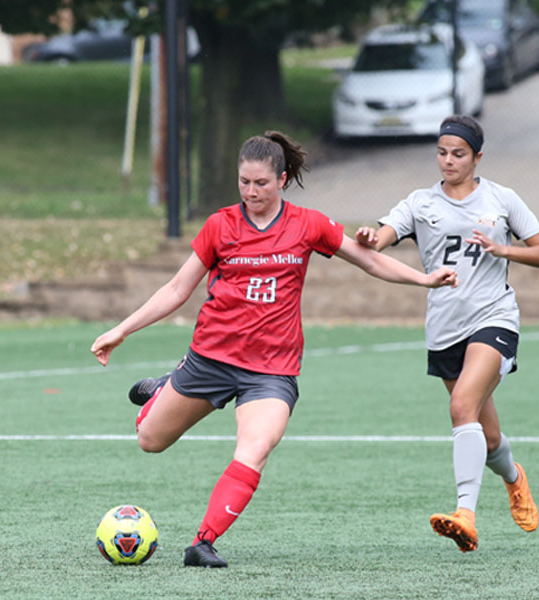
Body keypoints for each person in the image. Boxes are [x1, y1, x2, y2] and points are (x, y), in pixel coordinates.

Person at [91, 131, 458, 568]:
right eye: (243, 182)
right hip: (210, 359)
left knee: (255, 447)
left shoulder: (308, 224)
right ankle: (165, 388)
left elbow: (368, 258)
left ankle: (202, 542)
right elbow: (176, 288)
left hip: (271, 371)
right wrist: (122, 330)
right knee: (149, 441)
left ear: (282, 180)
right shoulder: (220, 226)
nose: (251, 192)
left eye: (260, 183)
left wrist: (423, 279)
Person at [356, 115, 539, 553]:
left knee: (461, 404)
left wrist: (502, 248)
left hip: (494, 317)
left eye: (458, 154)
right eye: (442, 152)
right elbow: (383, 237)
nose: (448, 161)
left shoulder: (502, 199)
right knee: (485, 438)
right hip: (444, 329)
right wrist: (371, 236)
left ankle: (465, 515)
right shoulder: (420, 203)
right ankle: (514, 477)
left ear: (477, 157)